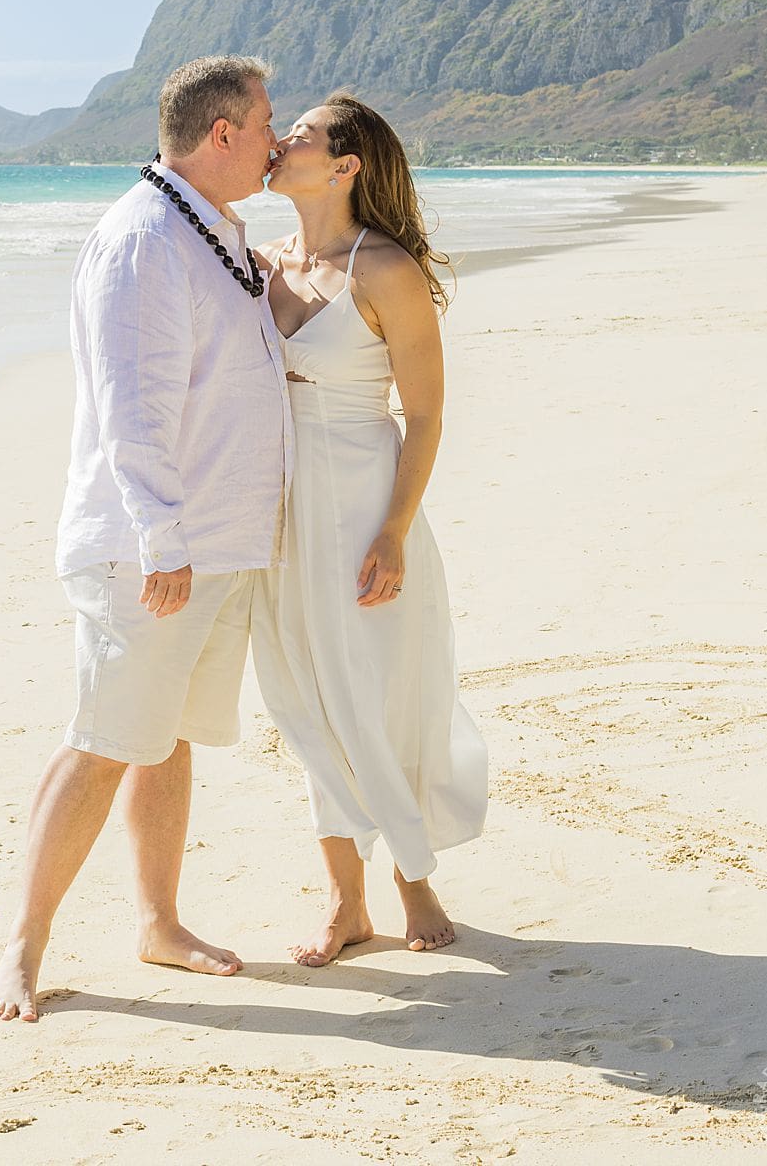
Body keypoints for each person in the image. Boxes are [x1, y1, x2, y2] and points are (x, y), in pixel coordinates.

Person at [0, 55, 290, 1021]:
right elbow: (133, 407)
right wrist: (163, 539)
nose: (278, 140)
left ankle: (159, 924)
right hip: (150, 550)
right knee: (105, 740)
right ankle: (23, 949)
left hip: (214, 542)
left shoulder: (211, 229)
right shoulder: (143, 240)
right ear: (223, 133)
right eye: (266, 123)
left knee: (164, 741)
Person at [252, 92, 488, 967]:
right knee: (304, 697)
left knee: (380, 693)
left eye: (300, 136)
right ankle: (345, 902)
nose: (279, 143)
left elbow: (425, 416)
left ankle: (413, 876)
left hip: (363, 501)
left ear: (344, 166)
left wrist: (394, 530)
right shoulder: (260, 263)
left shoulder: (384, 270)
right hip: (279, 508)